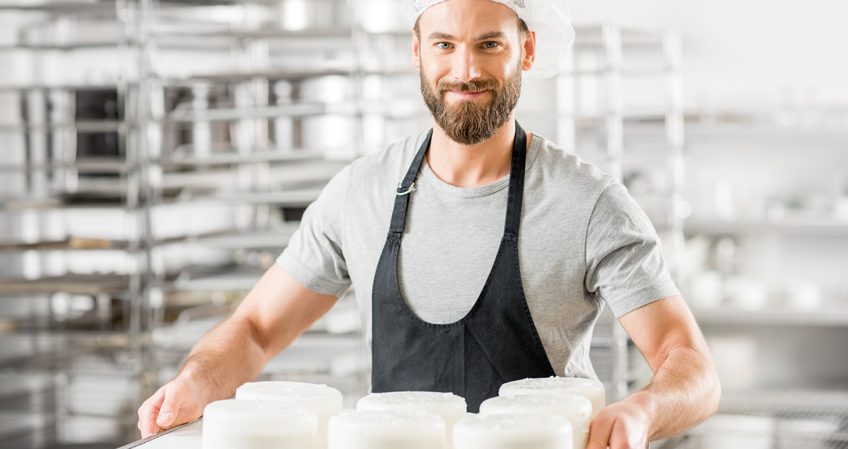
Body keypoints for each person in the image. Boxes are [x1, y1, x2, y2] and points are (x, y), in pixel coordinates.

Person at [137, 0, 720, 447]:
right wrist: (196, 382)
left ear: (528, 50)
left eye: (490, 44)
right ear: (416, 49)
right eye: (445, 43)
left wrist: (643, 409)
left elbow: (688, 365)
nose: (465, 70)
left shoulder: (588, 203)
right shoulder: (358, 193)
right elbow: (257, 330)